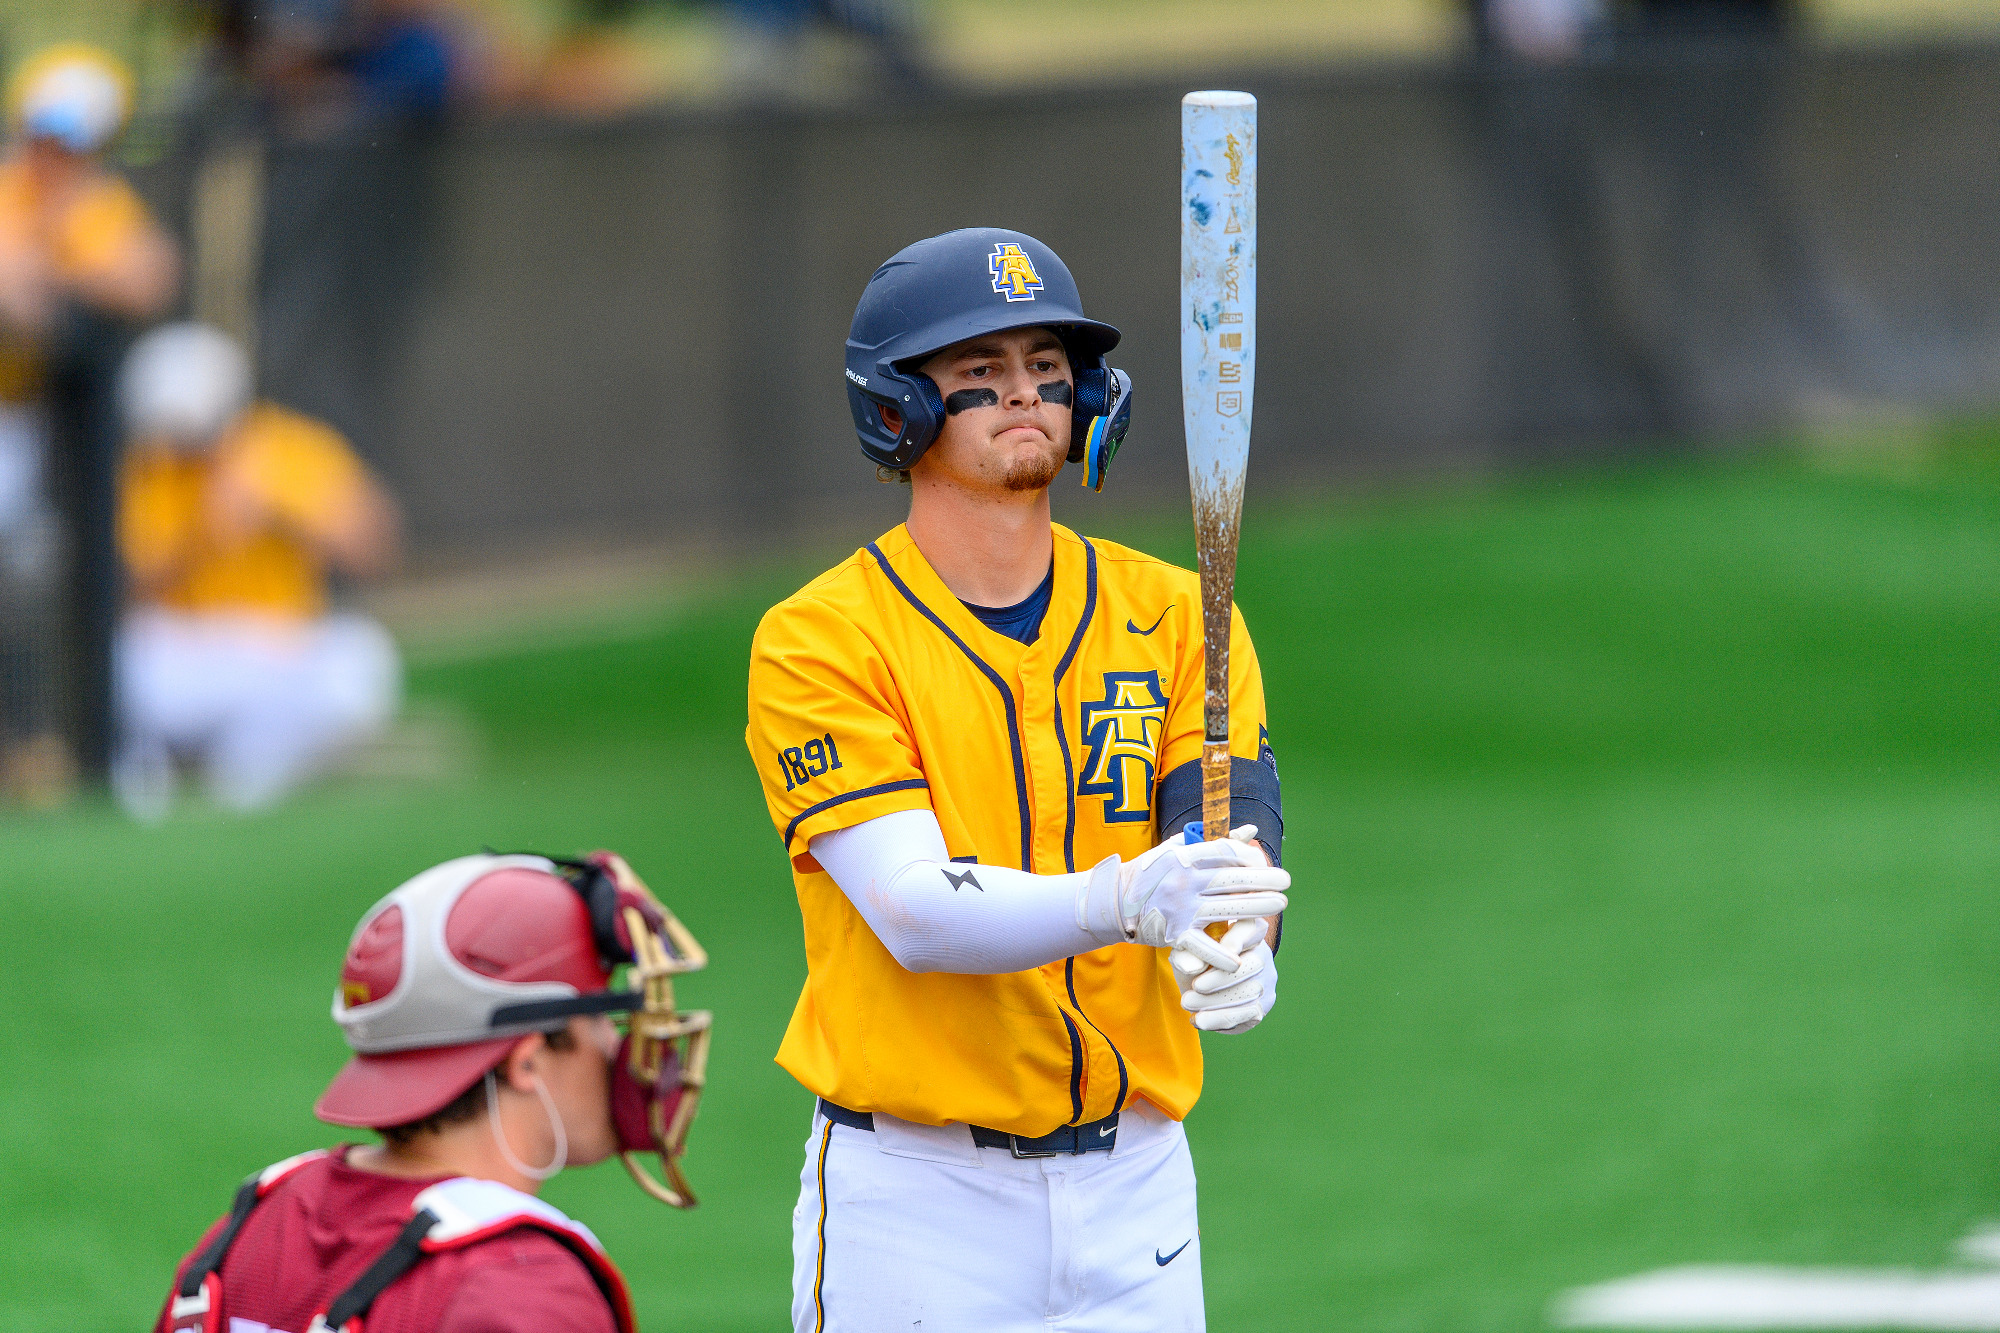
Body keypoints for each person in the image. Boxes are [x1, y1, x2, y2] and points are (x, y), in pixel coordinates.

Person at [745, 227, 1293, 1332]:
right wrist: (1130, 899)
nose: (1024, 393)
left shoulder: (1182, 613)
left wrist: (1237, 942)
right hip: (915, 1202)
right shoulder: (819, 641)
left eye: (1047, 366)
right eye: (977, 374)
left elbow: (1223, 843)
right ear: (892, 407)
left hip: (1139, 1186)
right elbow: (914, 912)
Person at [156, 850, 713, 1333]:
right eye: (602, 1017)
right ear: (526, 1060)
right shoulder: (523, 1288)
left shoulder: (254, 1226)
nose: (617, 1047)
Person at [113, 321, 402, 818]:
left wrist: (281, 508)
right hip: (180, 649)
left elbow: (375, 548)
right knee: (117, 660)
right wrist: (206, 534)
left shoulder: (285, 445)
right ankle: (140, 775)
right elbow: (120, 588)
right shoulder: (143, 465)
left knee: (361, 661)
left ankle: (243, 783)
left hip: (276, 645)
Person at [0, 43, 176, 804]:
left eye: (72, 143)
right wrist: (58, 269)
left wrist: (52, 268)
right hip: (13, 417)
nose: (56, 156)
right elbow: (14, 299)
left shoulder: (96, 203)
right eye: (48, 137)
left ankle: (51, 745)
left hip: (38, 424)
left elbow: (148, 276)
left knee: (53, 574)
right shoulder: (11, 191)